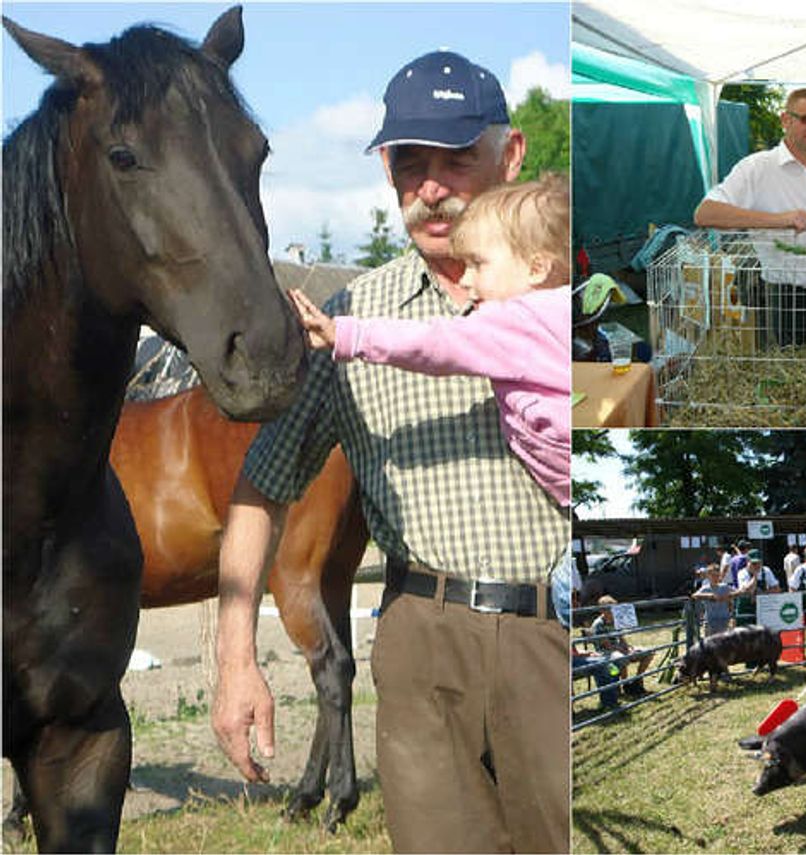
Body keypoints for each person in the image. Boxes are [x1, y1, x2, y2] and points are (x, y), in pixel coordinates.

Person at [209, 50, 569, 854]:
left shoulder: (565, 301)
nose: (432, 186)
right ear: (386, 170)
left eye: (456, 160)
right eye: (411, 165)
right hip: (424, 645)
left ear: (510, 156)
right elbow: (258, 488)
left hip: (554, 634)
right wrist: (236, 660)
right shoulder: (347, 318)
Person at [288, 171, 570, 508]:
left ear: (536, 268)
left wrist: (345, 334)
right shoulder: (562, 308)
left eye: (478, 265)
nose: (465, 279)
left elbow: (432, 343)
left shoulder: (514, 322)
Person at [693, 88, 806, 345]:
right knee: (789, 376)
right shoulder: (756, 168)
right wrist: (780, 220)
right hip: (786, 297)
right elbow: (705, 214)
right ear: (786, 119)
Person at [589, 595, 655, 696]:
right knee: (622, 658)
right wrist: (624, 651)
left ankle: (637, 681)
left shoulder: (615, 620)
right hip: (605, 652)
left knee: (649, 652)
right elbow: (607, 646)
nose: (614, 612)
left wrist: (627, 647)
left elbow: (621, 637)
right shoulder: (598, 624)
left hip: (618, 649)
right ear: (602, 611)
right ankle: (625, 685)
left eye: (614, 609)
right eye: (610, 610)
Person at [734, 549, 782, 625]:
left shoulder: (766, 571)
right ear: (747, 562)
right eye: (753, 563)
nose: (757, 566)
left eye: (758, 563)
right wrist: (755, 576)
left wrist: (762, 594)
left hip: (762, 608)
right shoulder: (742, 573)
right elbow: (748, 591)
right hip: (745, 609)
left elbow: (777, 589)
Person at [693, 563, 735, 637]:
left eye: (717, 575)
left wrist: (729, 596)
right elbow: (695, 595)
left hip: (724, 620)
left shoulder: (724, 587)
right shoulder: (705, 588)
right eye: (713, 575)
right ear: (708, 576)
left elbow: (736, 592)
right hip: (710, 621)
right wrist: (709, 596)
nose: (715, 578)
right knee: (709, 644)